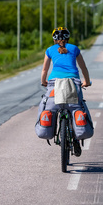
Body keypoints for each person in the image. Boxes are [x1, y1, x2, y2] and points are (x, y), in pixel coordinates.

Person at [40, 27, 90, 156]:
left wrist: (44, 81)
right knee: (77, 108)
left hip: (54, 83)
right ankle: (76, 139)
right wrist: (87, 82)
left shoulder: (50, 50)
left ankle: (52, 128)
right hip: (73, 82)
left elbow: (45, 70)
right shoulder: (74, 48)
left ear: (54, 39)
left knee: (50, 106)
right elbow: (83, 67)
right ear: (68, 38)